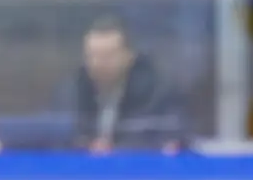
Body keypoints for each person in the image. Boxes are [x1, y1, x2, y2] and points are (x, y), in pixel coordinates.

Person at [66, 14, 183, 153]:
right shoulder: (71, 90)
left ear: (129, 56)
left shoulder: (156, 92)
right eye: (92, 55)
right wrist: (86, 145)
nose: (98, 63)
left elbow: (166, 138)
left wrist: (115, 150)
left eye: (107, 56)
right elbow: (58, 136)